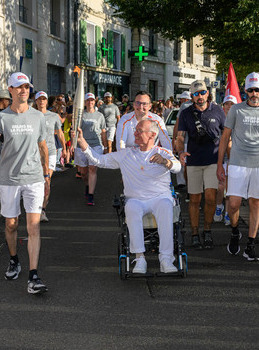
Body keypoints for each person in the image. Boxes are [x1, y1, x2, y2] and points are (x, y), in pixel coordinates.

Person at [73, 119, 181, 274]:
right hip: (136, 200)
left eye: (139, 131)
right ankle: (139, 258)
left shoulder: (163, 153)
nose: (135, 134)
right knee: (130, 207)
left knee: (165, 205)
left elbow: (177, 167)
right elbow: (99, 160)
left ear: (152, 135)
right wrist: (82, 143)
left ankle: (166, 258)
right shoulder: (126, 154)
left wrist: (166, 162)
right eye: (135, 130)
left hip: (159, 198)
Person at [0, 72, 50, 294]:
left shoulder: (38, 117)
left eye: (27, 87)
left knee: (33, 226)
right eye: (19, 87)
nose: (24, 90)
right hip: (9, 178)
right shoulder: (2, 118)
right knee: (11, 224)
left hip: (33, 178)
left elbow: (43, 146)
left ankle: (34, 275)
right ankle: (14, 260)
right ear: (10, 90)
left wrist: (47, 174)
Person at [217, 72, 259, 261]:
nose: (254, 93)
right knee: (234, 203)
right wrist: (220, 164)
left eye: (257, 90)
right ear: (245, 90)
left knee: (256, 203)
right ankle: (236, 231)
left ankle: (251, 244)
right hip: (237, 163)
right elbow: (225, 138)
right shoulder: (236, 110)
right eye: (250, 90)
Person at [176, 80, 225, 249]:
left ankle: (208, 230)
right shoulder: (186, 113)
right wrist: (181, 151)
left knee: (211, 198)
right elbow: (180, 137)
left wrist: (228, 159)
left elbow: (226, 136)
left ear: (207, 94)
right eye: (196, 94)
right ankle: (195, 232)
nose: (200, 96)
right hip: (194, 161)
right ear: (192, 97)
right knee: (195, 199)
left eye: (202, 93)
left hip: (213, 160)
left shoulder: (218, 110)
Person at [34, 91, 66, 221]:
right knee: (37, 182)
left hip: (51, 152)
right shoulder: (31, 115)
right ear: (36, 101)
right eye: (39, 99)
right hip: (35, 152)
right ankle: (35, 208)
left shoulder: (54, 116)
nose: (41, 101)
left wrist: (65, 148)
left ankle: (42, 210)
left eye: (44, 99)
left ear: (47, 101)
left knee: (46, 180)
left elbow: (60, 132)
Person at [72, 92, 107, 206]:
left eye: (92, 100)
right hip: (81, 145)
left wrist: (106, 147)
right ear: (85, 102)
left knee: (92, 169)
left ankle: (91, 195)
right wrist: (72, 143)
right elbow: (75, 130)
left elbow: (103, 132)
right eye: (88, 100)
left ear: (94, 102)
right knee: (83, 173)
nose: (90, 102)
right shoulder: (80, 115)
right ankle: (87, 185)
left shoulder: (99, 115)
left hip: (95, 145)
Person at [214, 94, 237, 223]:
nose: (229, 106)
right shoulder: (219, 119)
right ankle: (219, 207)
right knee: (220, 187)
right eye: (226, 104)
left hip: (233, 159)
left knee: (230, 188)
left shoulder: (238, 120)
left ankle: (228, 212)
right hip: (220, 157)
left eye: (231, 104)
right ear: (223, 106)